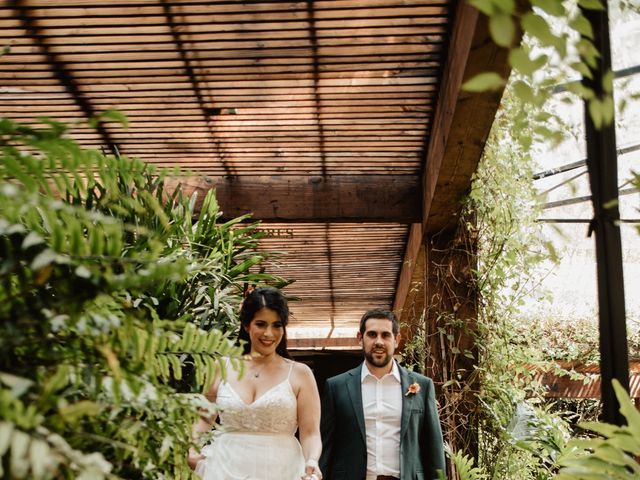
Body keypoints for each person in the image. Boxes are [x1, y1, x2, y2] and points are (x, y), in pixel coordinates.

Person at [188, 287, 323, 480]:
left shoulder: (300, 374)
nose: (269, 333)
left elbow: (310, 433)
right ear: (246, 325)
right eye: (261, 324)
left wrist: (312, 460)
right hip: (224, 468)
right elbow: (204, 418)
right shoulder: (221, 367)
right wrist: (192, 449)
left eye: (276, 325)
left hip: (282, 470)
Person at [319, 308, 446, 480]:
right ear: (360, 338)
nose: (379, 341)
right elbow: (326, 448)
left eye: (385, 335)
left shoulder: (422, 386)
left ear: (396, 340)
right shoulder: (336, 387)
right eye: (372, 334)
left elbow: (434, 448)